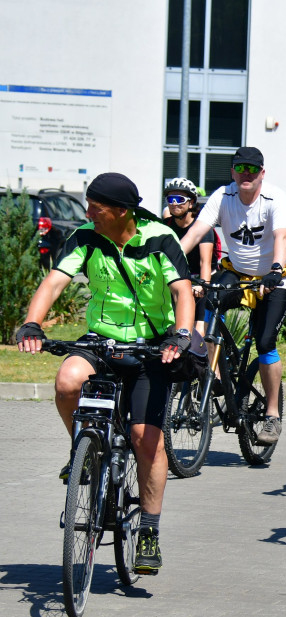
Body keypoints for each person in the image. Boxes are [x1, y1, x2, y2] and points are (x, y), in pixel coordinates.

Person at [16, 172, 195, 574]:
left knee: (145, 439)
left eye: (95, 208)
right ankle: (84, 449)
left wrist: (181, 335)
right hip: (101, 340)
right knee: (67, 382)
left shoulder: (159, 238)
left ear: (120, 211)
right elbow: (54, 281)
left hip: (151, 347)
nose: (88, 213)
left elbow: (183, 291)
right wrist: (33, 323)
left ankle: (148, 532)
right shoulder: (85, 236)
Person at [179, 146, 286, 446]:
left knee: (265, 342)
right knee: (209, 299)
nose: (246, 174)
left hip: (276, 276)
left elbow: (282, 236)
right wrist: (168, 263)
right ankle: (214, 371)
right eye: (240, 168)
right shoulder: (222, 196)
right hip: (238, 271)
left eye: (252, 169)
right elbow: (193, 234)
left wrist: (277, 269)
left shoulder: (275, 198)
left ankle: (272, 414)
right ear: (232, 172)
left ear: (262, 173)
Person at [163, 177, 216, 324]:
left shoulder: (202, 227)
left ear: (191, 202)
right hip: (177, 278)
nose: (174, 203)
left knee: (202, 328)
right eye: (170, 198)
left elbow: (205, 262)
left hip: (201, 278)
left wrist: (202, 285)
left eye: (179, 199)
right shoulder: (165, 226)